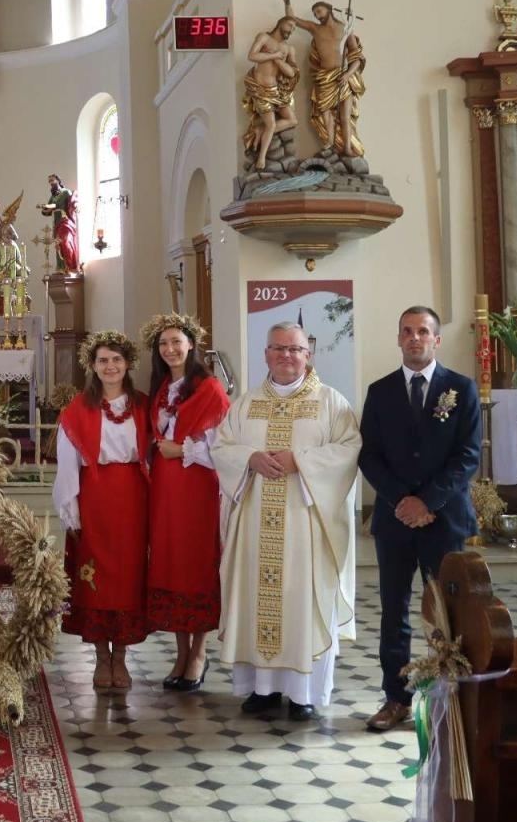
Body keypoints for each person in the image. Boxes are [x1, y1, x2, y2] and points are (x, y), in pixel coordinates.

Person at [211, 321, 361, 721]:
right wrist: (249, 458)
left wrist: (302, 461)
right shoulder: (245, 404)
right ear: (266, 354)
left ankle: (302, 693)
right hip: (255, 524)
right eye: (278, 348)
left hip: (305, 526)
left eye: (294, 349)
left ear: (308, 355)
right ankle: (262, 689)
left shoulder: (331, 402)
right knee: (257, 598)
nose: (286, 356)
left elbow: (349, 449)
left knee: (301, 601)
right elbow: (221, 447)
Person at [356, 307, 480, 732]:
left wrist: (427, 502)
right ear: (398, 338)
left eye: (423, 331)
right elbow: (369, 455)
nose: (415, 338)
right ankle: (396, 698)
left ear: (436, 340)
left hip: (444, 520)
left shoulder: (461, 389)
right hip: (395, 521)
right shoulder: (380, 391)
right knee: (394, 611)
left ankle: (449, 698)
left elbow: (468, 456)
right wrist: (402, 501)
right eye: (407, 331)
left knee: (447, 612)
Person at [55, 331, 152, 692]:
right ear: (92, 366)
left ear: (128, 364)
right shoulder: (78, 409)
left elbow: (155, 455)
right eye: (103, 361)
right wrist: (71, 507)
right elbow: (67, 462)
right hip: (94, 498)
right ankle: (100, 656)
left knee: (128, 575)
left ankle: (121, 656)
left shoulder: (143, 406)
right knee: (93, 575)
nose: (110, 367)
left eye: (116, 360)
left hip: (133, 498)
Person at [142, 314, 231, 692]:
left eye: (176, 341)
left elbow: (222, 447)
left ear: (191, 344)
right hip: (165, 488)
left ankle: (199, 652)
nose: (170, 349)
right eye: (163, 344)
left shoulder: (210, 389)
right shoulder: (162, 388)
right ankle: (180, 653)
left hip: (197, 486)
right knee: (171, 561)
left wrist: (181, 450)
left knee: (196, 562)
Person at [283, 0, 366, 158]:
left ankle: (347, 148)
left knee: (345, 115)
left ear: (328, 9)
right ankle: (330, 143)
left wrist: (348, 75)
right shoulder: (315, 29)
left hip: (343, 76)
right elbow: (293, 20)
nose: (317, 16)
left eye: (319, 11)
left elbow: (357, 58)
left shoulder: (345, 28)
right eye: (315, 14)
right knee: (324, 111)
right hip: (325, 78)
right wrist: (287, 2)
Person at [241, 17, 300, 169]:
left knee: (292, 120)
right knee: (271, 124)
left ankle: (260, 129)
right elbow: (252, 56)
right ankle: (261, 159)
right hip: (260, 89)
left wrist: (278, 60)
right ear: (281, 23)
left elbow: (291, 73)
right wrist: (274, 55)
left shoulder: (289, 49)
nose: (292, 30)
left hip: (276, 91)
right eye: (290, 25)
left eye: (294, 29)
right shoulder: (264, 38)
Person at [40, 174, 80, 272]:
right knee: (58, 244)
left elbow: (72, 202)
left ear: (58, 180)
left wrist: (76, 205)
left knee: (65, 241)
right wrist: (43, 209)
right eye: (49, 181)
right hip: (57, 223)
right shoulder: (53, 196)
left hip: (65, 221)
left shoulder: (65, 192)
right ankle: (61, 267)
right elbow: (49, 208)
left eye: (52, 180)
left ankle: (70, 266)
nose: (51, 183)